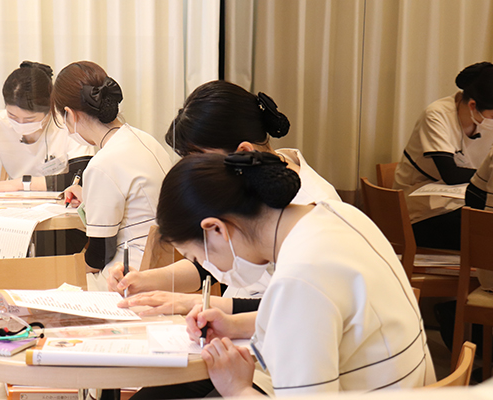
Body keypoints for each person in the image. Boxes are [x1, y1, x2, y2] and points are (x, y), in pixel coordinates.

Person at [157, 151, 435, 397]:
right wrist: (235, 325)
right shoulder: (338, 214)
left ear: (216, 229)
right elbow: (324, 316)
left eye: (198, 258)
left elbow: (305, 302)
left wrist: (237, 389)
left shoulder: (301, 276)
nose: (207, 267)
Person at [108, 80, 340, 311]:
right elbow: (212, 263)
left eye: (202, 161)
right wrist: (144, 280)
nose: (199, 173)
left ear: (243, 152)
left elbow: (298, 307)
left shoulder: (315, 210)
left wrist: (202, 304)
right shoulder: (254, 177)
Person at [52, 61, 172, 290]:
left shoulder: (102, 164)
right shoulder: (145, 139)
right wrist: (89, 197)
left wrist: (67, 268)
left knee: (54, 283)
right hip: (167, 267)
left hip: (128, 276)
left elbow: (99, 256)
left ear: (70, 114)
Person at [394, 61, 493, 250]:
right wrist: (487, 176)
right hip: (423, 211)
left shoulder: (484, 118)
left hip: (461, 201)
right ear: (473, 105)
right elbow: (451, 175)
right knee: (483, 232)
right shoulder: (437, 115)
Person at [0, 61, 95, 194]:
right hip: (14, 202)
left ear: (49, 110)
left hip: (58, 201)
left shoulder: (67, 123)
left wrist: (20, 184)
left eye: (29, 119)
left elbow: (81, 178)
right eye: (12, 116)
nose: (20, 124)